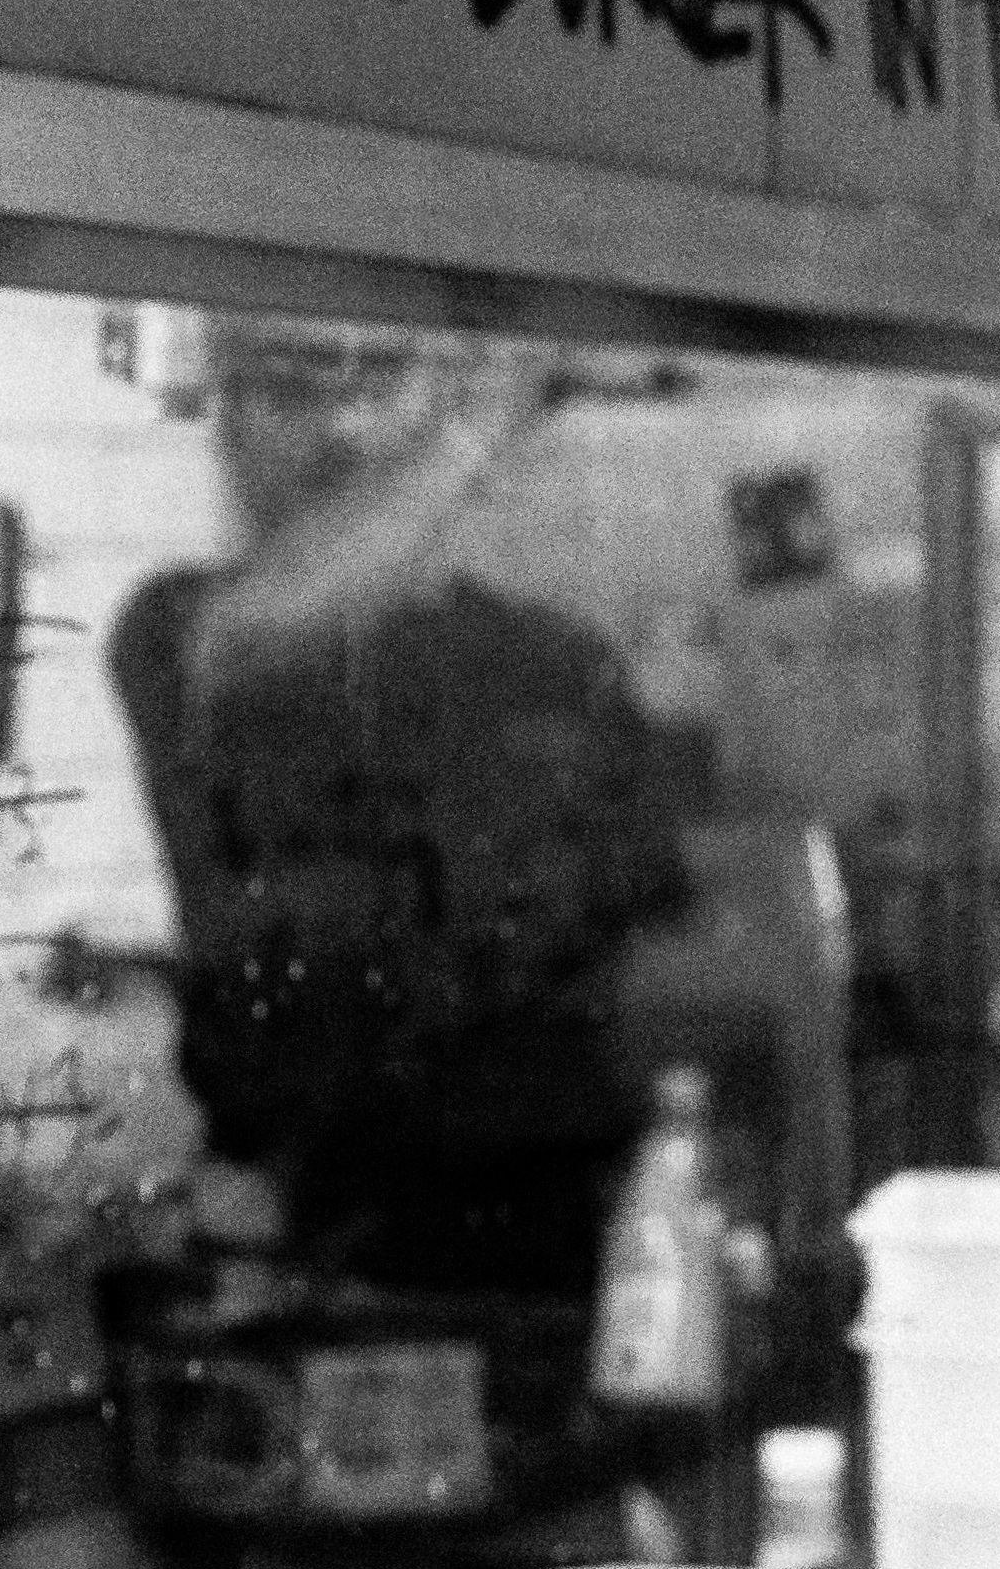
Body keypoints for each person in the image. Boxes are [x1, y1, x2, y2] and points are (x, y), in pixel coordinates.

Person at [104, 318, 708, 1302]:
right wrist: (478, 428)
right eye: (283, 394)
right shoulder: (175, 629)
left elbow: (648, 949)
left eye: (367, 391)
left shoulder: (559, 659)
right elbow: (263, 636)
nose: (331, 434)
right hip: (301, 1229)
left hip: (552, 1221)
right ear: (224, 427)